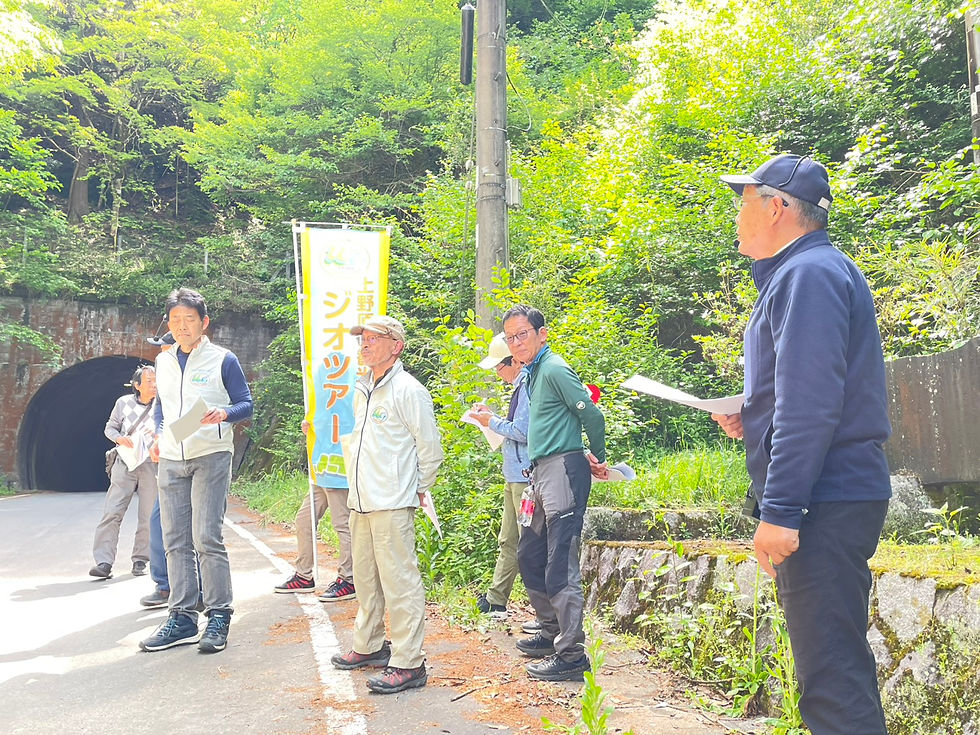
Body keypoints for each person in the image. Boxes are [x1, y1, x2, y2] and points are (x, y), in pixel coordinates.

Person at [712, 154, 891, 735]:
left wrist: (783, 511)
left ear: (778, 206)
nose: (737, 217)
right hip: (830, 494)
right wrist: (753, 411)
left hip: (824, 501)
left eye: (744, 202)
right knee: (833, 669)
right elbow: (805, 390)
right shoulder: (803, 274)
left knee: (832, 680)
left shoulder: (808, 274)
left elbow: (811, 406)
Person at [329, 315, 443, 694]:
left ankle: (410, 662)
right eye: (362, 339)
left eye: (373, 338)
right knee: (366, 579)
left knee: (400, 582)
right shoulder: (363, 388)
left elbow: (431, 450)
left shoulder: (409, 391)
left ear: (396, 345)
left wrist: (414, 489)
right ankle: (370, 645)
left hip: (393, 503)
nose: (364, 345)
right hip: (361, 500)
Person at [139, 288, 254, 654]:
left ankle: (219, 613)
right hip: (172, 455)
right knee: (175, 539)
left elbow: (246, 403)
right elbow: (162, 406)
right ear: (169, 324)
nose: (182, 326)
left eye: (190, 319)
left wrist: (225, 414)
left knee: (206, 536)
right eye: (176, 320)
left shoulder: (223, 359)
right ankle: (183, 617)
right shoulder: (163, 360)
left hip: (211, 453)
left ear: (204, 323)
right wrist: (157, 435)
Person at [502, 305, 607, 682]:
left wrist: (600, 456)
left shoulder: (555, 368)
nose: (516, 343)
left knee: (559, 562)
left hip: (563, 469)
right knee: (529, 554)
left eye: (522, 334)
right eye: (510, 337)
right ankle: (550, 632)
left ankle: (572, 655)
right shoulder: (531, 374)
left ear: (541, 334)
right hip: (540, 472)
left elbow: (592, 415)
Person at [467, 333, 530, 621]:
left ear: (514, 362)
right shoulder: (519, 388)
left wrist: (490, 421)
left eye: (498, 366)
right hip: (513, 474)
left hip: (525, 476)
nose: (496, 372)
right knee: (509, 538)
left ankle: (544, 613)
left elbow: (523, 431)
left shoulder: (528, 388)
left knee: (529, 541)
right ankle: (496, 599)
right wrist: (493, 418)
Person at [274, 419, 355, 602]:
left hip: (338, 469)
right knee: (304, 520)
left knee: (342, 524)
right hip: (321, 469)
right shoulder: (320, 397)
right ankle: (304, 576)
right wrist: (310, 428)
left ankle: (349, 579)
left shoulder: (350, 392)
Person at [89, 365, 158, 579]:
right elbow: (110, 428)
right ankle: (104, 562)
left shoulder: (163, 405)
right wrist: (119, 438)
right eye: (149, 381)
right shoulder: (123, 402)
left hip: (151, 463)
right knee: (112, 511)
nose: (154, 384)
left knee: (148, 514)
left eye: (156, 380)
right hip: (125, 461)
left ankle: (141, 559)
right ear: (137, 385)